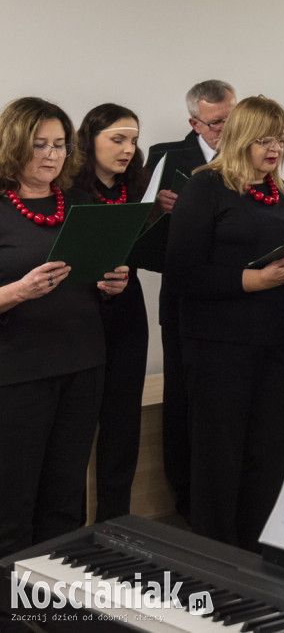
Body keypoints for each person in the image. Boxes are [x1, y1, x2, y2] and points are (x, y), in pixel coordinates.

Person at [165, 96, 284, 550]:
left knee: (270, 451)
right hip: (219, 343)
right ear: (239, 138)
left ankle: (261, 552)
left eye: (282, 139)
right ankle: (217, 555)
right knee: (221, 454)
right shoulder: (205, 187)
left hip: (279, 339)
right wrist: (254, 280)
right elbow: (182, 274)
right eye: (264, 139)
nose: (275, 149)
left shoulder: (280, 188)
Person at [0, 97, 130, 559]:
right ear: (14, 145)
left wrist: (112, 284)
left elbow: (92, 281)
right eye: (39, 144)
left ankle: (57, 609)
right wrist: (18, 291)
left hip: (82, 364)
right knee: (12, 503)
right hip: (18, 375)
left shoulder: (78, 202)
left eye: (59, 144)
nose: (52, 155)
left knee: (65, 499)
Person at [144, 79, 236, 524]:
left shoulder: (252, 154)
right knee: (183, 402)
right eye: (217, 122)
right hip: (184, 297)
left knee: (224, 405)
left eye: (231, 118)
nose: (226, 129)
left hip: (237, 299)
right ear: (194, 123)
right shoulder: (167, 157)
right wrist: (157, 211)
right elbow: (139, 230)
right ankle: (185, 499)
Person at [72, 104, 149, 522]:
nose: (127, 149)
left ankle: (115, 523)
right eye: (117, 139)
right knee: (78, 429)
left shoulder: (137, 188)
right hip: (82, 314)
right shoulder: (69, 191)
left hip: (126, 312)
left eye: (133, 141)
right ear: (90, 141)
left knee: (123, 427)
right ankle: (73, 530)